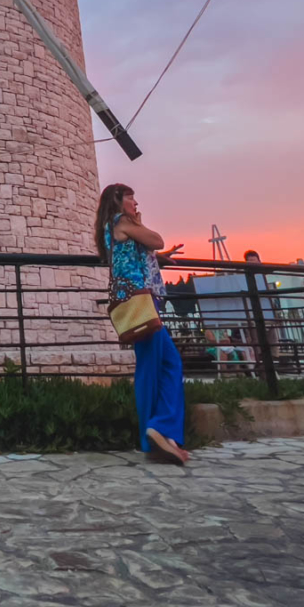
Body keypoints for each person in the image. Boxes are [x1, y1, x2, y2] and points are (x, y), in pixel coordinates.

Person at [98, 183, 191, 466]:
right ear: (118, 200)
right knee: (166, 365)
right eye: (131, 198)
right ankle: (160, 429)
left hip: (135, 301)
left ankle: (153, 438)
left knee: (154, 367)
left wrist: (157, 257)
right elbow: (156, 239)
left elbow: (141, 252)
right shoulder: (122, 222)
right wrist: (142, 226)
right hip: (141, 303)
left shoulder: (111, 227)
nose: (135, 203)